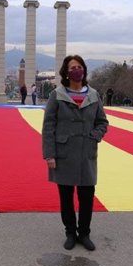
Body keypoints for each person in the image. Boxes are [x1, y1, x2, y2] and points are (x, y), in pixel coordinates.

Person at [42, 55, 109, 251]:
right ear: (66, 72)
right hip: (64, 153)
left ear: (84, 70)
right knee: (66, 197)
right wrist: (49, 154)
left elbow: (102, 122)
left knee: (87, 196)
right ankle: (70, 233)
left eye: (79, 67)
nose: (76, 70)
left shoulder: (94, 95)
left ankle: (84, 233)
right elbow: (48, 127)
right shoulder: (57, 95)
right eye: (73, 67)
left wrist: (94, 136)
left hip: (86, 152)